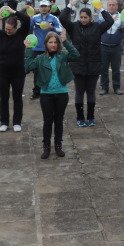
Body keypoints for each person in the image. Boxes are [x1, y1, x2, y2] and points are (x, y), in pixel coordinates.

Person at [25, 29, 79, 159]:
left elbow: (76, 55)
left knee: (59, 121)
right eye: (50, 42)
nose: (53, 44)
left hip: (62, 93)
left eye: (55, 42)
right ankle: (46, 146)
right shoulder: (40, 58)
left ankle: (58, 145)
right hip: (46, 94)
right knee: (48, 121)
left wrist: (65, 41)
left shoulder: (63, 55)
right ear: (46, 44)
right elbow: (29, 66)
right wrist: (28, 49)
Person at [60, 0, 114, 126]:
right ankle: (80, 117)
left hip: (93, 64)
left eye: (85, 17)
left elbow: (110, 21)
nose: (83, 19)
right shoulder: (73, 27)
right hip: (77, 64)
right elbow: (62, 18)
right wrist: (69, 6)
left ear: (90, 17)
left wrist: (101, 9)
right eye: (81, 17)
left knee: (90, 91)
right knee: (79, 91)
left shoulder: (97, 27)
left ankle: (91, 117)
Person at [0, 5, 31, 132]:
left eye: (10, 29)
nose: (7, 31)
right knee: (3, 98)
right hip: (2, 72)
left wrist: (13, 11)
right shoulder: (1, 34)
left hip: (18, 72)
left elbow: (27, 19)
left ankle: (17, 122)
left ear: (15, 28)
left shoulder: (21, 33)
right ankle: (4, 122)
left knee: (17, 98)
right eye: (6, 28)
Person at [28, 0, 64, 99]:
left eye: (45, 6)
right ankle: (36, 91)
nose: (43, 8)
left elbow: (60, 30)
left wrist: (52, 27)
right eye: (42, 6)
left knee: (51, 69)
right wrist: (28, 20)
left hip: (50, 48)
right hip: (37, 48)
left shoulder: (54, 18)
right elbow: (28, 29)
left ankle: (49, 89)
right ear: (39, 8)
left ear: (49, 8)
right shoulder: (34, 18)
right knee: (37, 70)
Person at [97, 0, 124, 95]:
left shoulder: (121, 16)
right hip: (103, 46)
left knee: (116, 69)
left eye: (113, 5)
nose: (111, 6)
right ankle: (104, 87)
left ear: (117, 6)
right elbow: (98, 27)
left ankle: (117, 87)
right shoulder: (101, 15)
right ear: (107, 6)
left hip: (116, 46)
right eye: (110, 5)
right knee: (103, 69)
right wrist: (110, 21)